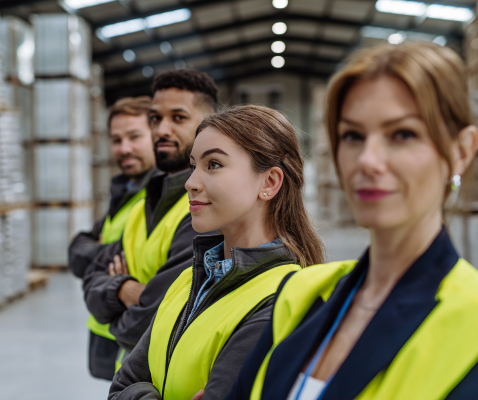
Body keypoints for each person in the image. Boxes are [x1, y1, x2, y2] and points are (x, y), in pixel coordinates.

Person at [226, 41, 478, 400]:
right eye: (353, 136)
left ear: (461, 151)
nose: (367, 161)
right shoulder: (301, 294)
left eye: (402, 134)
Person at [108, 105, 325, 400]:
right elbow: (122, 383)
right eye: (193, 165)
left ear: (269, 182)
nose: (190, 183)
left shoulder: (277, 304)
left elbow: (130, 388)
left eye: (213, 165)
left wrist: (141, 392)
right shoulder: (190, 279)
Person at [82, 70, 219, 372]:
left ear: (208, 126)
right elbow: (92, 280)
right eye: (155, 119)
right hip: (131, 376)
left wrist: (117, 296)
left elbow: (155, 320)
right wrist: (127, 289)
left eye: (178, 118)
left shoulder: (204, 212)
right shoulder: (141, 205)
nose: (161, 130)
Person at [68, 96, 156, 380]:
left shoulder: (157, 201)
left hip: (134, 333)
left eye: (134, 137)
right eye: (116, 140)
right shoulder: (125, 192)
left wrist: (95, 256)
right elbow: (77, 250)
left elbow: (89, 254)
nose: (124, 148)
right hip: (106, 323)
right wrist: (102, 259)